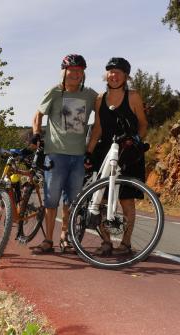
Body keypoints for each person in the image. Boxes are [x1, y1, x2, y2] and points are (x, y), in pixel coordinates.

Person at [30, 54, 98, 253]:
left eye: (79, 70)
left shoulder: (90, 95)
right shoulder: (55, 91)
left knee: (71, 200)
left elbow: (105, 110)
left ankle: (65, 236)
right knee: (52, 199)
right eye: (72, 70)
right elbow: (38, 115)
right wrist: (36, 134)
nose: (76, 74)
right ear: (64, 72)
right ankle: (48, 240)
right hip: (56, 154)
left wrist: (90, 149)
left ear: (83, 73)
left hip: (78, 155)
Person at [85, 57, 148, 255]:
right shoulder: (99, 99)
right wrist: (88, 153)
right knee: (100, 199)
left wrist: (136, 140)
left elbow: (143, 124)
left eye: (119, 72)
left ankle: (126, 243)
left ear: (126, 76)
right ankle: (106, 241)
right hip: (105, 151)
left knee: (127, 200)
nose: (114, 76)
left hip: (128, 151)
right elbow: (97, 129)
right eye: (111, 72)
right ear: (106, 75)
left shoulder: (133, 97)